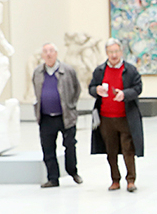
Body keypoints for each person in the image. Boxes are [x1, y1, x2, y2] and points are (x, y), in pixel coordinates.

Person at [89, 38, 145, 191]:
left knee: (128, 150)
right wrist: (96, 91)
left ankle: (131, 180)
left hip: (125, 117)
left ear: (121, 52)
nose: (113, 55)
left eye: (116, 51)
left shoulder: (131, 70)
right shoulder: (100, 71)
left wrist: (124, 94)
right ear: (106, 53)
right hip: (106, 118)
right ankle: (115, 180)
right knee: (110, 151)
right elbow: (91, 87)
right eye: (110, 52)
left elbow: (138, 88)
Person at [32, 43, 82, 188]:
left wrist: (71, 105)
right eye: (45, 52)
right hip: (46, 117)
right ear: (42, 55)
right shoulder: (37, 72)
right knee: (48, 149)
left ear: (56, 53)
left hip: (65, 116)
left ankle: (73, 171)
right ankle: (53, 178)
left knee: (70, 146)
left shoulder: (68, 70)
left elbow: (76, 89)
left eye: (51, 51)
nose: (48, 54)